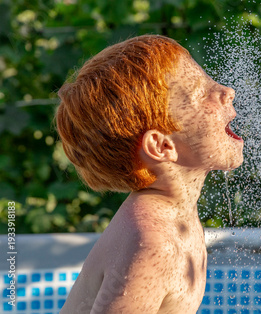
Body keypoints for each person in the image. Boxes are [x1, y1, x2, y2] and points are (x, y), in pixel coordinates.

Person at [56, 35, 244, 313]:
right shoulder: (155, 244)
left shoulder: (174, 217)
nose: (226, 90)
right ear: (161, 146)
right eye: (200, 91)